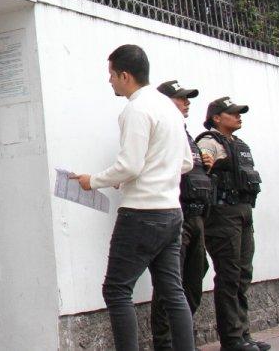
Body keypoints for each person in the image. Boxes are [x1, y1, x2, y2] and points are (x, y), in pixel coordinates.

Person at [71, 45, 196, 351]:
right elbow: (186, 162)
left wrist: (93, 181)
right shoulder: (169, 107)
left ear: (125, 76)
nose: (110, 81)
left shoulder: (136, 109)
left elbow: (130, 165)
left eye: (112, 75)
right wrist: (144, 175)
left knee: (116, 290)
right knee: (173, 291)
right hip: (171, 213)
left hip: (141, 214)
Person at [197, 97, 268, 351]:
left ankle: (243, 334)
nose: (239, 116)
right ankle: (232, 339)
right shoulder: (209, 142)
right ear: (217, 118)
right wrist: (207, 160)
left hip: (244, 212)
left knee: (243, 274)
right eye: (233, 113)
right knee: (229, 275)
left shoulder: (239, 144)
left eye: (239, 113)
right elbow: (203, 164)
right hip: (222, 214)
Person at [150, 80, 215, 350]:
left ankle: (183, 340)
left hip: (196, 217)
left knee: (194, 280)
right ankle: (165, 344)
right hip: (177, 215)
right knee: (170, 284)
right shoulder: (161, 129)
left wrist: (206, 164)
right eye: (181, 98)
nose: (187, 102)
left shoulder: (185, 133)